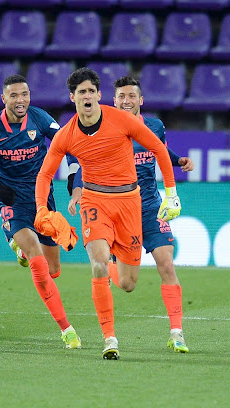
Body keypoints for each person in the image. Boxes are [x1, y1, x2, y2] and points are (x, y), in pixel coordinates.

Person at [34, 67, 182, 360]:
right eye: (81, 92)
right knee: (98, 264)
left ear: (99, 96)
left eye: (91, 91)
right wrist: (41, 209)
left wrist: (172, 193)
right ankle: (109, 339)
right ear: (72, 97)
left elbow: (159, 150)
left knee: (127, 283)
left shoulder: (122, 120)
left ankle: (115, 256)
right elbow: (44, 175)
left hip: (130, 202)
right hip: (94, 201)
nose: (87, 96)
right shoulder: (66, 135)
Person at [66, 76, 194, 353]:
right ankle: (110, 264)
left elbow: (158, 149)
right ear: (113, 100)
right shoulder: (107, 128)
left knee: (167, 264)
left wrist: (178, 160)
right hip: (115, 205)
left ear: (141, 100)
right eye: (121, 96)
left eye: (131, 96)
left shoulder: (155, 126)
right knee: (125, 283)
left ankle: (177, 332)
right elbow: (86, 165)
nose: (126, 101)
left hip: (149, 206)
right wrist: (77, 192)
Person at [0, 74, 82, 350]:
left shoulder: (40, 118)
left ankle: (18, 248)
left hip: (43, 198)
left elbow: (71, 147)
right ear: (3, 98)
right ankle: (67, 330)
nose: (21, 100)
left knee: (53, 270)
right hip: (12, 200)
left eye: (25, 94)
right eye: (14, 95)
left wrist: (73, 175)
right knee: (38, 262)